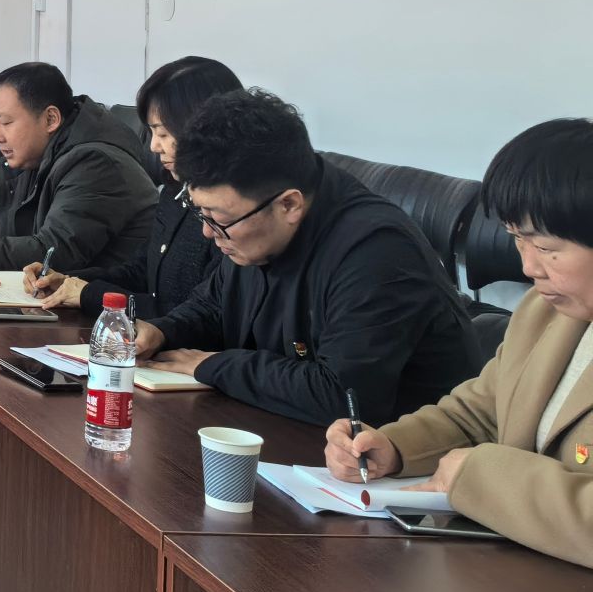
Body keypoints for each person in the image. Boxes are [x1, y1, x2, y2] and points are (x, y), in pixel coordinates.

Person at [327, 119, 593, 567]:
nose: (529, 267)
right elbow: (481, 411)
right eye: (517, 239)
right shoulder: (544, 312)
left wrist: (480, 477)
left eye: (547, 248)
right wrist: (393, 448)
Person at [135, 90, 479, 426]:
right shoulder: (254, 221)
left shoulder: (377, 253)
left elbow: (342, 397)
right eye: (202, 213)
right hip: (289, 430)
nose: (208, 233)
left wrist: (215, 365)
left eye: (218, 218)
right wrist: (162, 331)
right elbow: (215, 306)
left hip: (396, 453)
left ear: (289, 205)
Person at [24, 56, 242, 316]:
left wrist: (89, 294)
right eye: (151, 133)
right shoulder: (174, 190)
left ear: (205, 128)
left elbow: (201, 316)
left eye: (163, 133)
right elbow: (140, 271)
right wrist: (69, 281)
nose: (154, 146)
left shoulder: (235, 211)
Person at [0, 62, 155, 274]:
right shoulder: (35, 154)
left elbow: (52, 253)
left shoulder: (96, 164)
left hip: (101, 303)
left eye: (6, 122)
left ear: (51, 119)